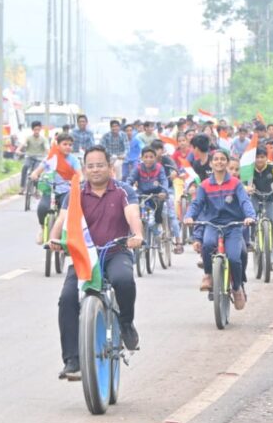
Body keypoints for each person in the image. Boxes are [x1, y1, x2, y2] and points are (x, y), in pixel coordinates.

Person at [48, 146, 144, 380]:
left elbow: (133, 214)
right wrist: (53, 237)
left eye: (100, 165)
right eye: (90, 166)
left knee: (123, 280)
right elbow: (62, 219)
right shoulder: (76, 193)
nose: (95, 169)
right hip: (85, 257)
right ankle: (72, 360)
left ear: (110, 167)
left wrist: (137, 235)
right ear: (84, 169)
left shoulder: (124, 190)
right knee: (67, 299)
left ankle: (126, 323)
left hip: (116, 252)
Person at [184, 148, 256, 311]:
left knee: (235, 258)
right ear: (211, 163)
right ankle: (208, 274)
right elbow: (197, 204)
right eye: (216, 159)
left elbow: (245, 201)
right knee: (208, 245)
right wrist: (189, 216)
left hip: (233, 225)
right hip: (213, 224)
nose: (219, 162)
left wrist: (250, 216)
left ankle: (237, 288)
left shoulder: (236, 184)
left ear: (227, 162)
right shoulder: (204, 186)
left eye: (223, 159)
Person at [29, 132, 82, 234]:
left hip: (66, 191)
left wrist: (80, 180)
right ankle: (42, 228)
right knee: (42, 208)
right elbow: (38, 170)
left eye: (70, 145)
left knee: (67, 211)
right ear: (58, 145)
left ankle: (65, 234)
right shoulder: (51, 158)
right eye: (65, 144)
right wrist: (34, 174)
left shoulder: (74, 160)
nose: (68, 147)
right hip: (50, 190)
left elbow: (79, 174)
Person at [129, 146, 171, 245]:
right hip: (142, 194)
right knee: (134, 211)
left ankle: (157, 225)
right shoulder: (138, 168)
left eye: (151, 157)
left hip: (156, 194)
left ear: (155, 158)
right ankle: (138, 233)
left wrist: (164, 192)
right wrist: (127, 189)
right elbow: (130, 179)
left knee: (159, 208)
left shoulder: (159, 168)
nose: (148, 159)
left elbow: (164, 180)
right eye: (146, 157)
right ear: (142, 158)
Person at [19, 121, 49, 193]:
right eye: (35, 129)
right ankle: (22, 187)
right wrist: (18, 150)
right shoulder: (29, 138)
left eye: (38, 130)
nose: (37, 131)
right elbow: (23, 144)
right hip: (29, 157)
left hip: (39, 158)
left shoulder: (43, 139)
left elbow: (47, 148)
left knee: (37, 171)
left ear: (40, 130)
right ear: (32, 130)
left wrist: (49, 154)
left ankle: (37, 189)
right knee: (25, 167)